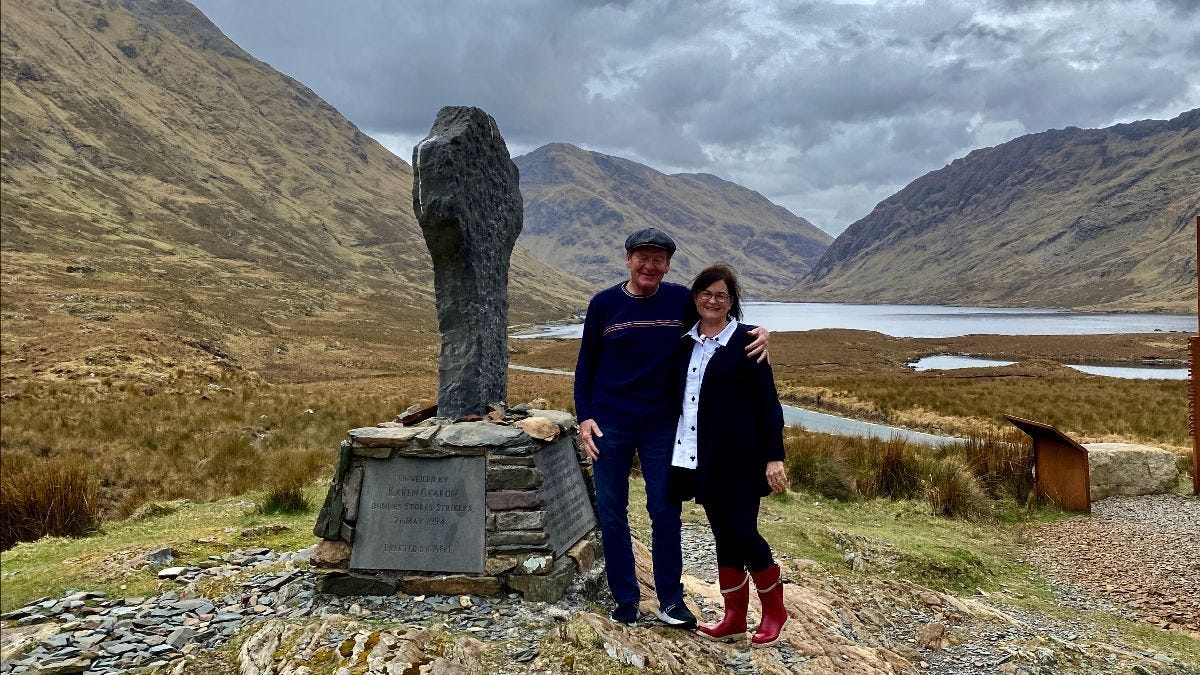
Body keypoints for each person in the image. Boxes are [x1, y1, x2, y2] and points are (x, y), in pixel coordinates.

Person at [574, 228, 769, 628]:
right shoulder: (603, 304)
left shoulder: (681, 299)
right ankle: (626, 599)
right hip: (610, 423)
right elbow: (586, 365)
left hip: (663, 424)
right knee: (612, 512)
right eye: (642, 257)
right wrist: (585, 417)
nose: (650, 265)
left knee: (665, 511)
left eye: (658, 259)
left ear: (668, 265)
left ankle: (671, 600)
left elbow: (720, 317)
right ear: (627, 259)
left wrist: (760, 333)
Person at [670, 263, 788, 646]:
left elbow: (768, 404)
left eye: (721, 295)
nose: (713, 300)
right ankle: (735, 616)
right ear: (696, 297)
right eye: (706, 293)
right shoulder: (685, 341)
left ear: (731, 301)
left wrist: (774, 457)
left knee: (742, 532)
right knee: (723, 535)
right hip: (699, 458)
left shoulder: (747, 342)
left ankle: (775, 611)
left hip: (741, 460)